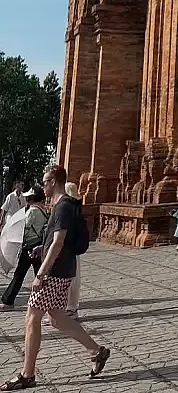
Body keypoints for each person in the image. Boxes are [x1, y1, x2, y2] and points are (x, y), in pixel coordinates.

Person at [0, 165, 110, 390]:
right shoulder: (65, 206)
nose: (42, 186)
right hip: (63, 269)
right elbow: (57, 240)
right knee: (57, 318)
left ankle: (27, 374)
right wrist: (43, 248)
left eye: (44, 181)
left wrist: (41, 273)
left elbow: (59, 241)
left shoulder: (61, 207)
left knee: (31, 318)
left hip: (53, 272)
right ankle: (97, 351)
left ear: (53, 181)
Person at [0, 186, 49, 310]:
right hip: (38, 245)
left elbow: (24, 227)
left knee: (19, 274)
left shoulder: (32, 211)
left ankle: (8, 301)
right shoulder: (44, 210)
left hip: (29, 247)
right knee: (40, 274)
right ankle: (46, 301)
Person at [63, 184, 81, 319]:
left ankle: (70, 308)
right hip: (73, 247)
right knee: (73, 278)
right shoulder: (76, 207)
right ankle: (70, 307)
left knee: (70, 279)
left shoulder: (69, 209)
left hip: (69, 247)